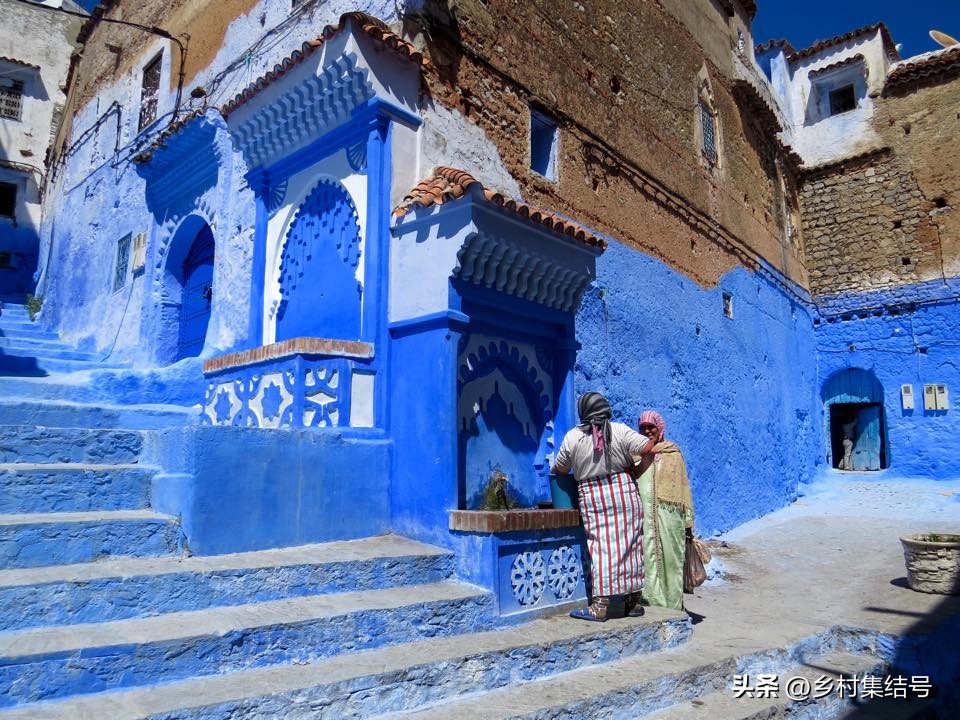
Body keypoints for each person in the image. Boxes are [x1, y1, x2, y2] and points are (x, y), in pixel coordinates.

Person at [552, 392, 653, 621]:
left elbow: (560, 469)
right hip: (625, 492)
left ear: (583, 412)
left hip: (594, 496)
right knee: (631, 544)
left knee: (602, 549)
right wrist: (638, 471)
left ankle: (600, 606)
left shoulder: (573, 437)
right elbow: (649, 448)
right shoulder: (619, 430)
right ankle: (632, 603)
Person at [633, 410, 695, 611]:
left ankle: (673, 605)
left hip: (670, 520)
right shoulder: (635, 455)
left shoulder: (672, 453)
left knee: (671, 561)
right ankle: (651, 601)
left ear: (660, 429)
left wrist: (687, 521)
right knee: (646, 559)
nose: (647, 431)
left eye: (651, 427)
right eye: (642, 428)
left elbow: (683, 487)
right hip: (645, 519)